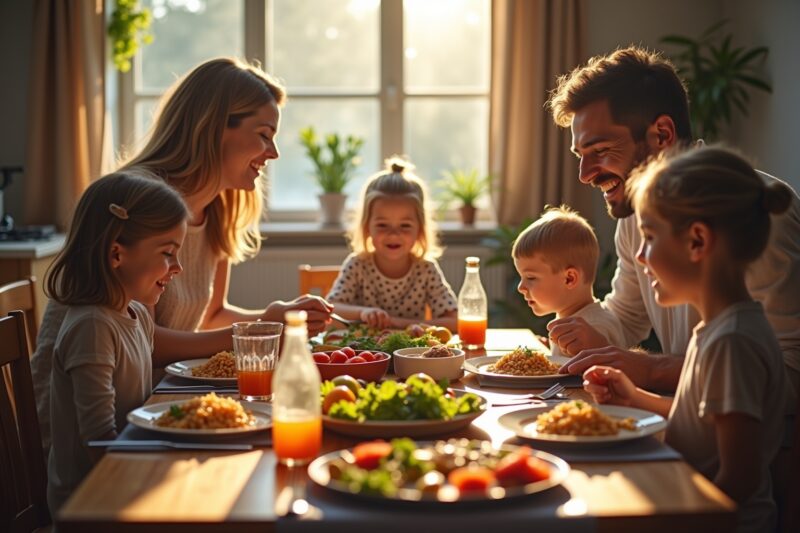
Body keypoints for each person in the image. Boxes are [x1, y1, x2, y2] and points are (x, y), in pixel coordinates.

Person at [31, 57, 333, 451]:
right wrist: (262, 329)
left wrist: (282, 319)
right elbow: (139, 338)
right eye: (263, 134)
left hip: (151, 406)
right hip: (87, 436)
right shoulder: (137, 202)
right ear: (213, 128)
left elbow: (209, 316)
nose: (273, 152)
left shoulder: (219, 207)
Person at [545, 46, 800, 394]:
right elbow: (625, 318)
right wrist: (581, 323)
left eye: (600, 151)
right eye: (581, 155)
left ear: (662, 135)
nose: (585, 175)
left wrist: (653, 369)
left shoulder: (754, 211)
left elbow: (787, 368)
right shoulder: (636, 216)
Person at [583, 146, 793, 533]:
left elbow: (738, 478)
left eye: (649, 237)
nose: (641, 257)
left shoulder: (732, 343)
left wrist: (664, 518)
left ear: (697, 241)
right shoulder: (720, 328)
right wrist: (635, 398)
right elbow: (703, 426)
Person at [47, 172, 189, 513]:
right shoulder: (93, 326)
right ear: (116, 254)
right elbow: (99, 441)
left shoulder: (135, 314)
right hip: (91, 501)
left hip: (122, 476)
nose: (178, 267)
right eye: (168, 253)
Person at [326, 157, 458, 331]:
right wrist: (363, 313)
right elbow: (331, 310)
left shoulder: (426, 269)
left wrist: (397, 323)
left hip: (410, 355)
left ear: (420, 229)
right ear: (367, 227)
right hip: (365, 356)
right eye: (382, 225)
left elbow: (454, 322)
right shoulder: (357, 265)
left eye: (405, 226)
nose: (394, 234)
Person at [512, 205, 625, 358]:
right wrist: (549, 353)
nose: (520, 287)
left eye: (531, 278)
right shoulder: (571, 316)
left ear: (569, 278)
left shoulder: (597, 328)